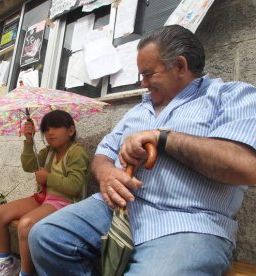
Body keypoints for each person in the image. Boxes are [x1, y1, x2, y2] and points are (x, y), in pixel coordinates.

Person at [28, 25, 256, 276]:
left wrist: (163, 138)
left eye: (148, 74)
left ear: (180, 66)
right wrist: (105, 173)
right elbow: (103, 153)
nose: (142, 82)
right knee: (44, 236)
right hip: (116, 209)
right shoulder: (139, 109)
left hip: (190, 223)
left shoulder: (231, 96)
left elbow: (246, 166)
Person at [0, 110, 89, 276]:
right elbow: (29, 165)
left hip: (65, 203)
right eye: (46, 129)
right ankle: (7, 263)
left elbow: (75, 186)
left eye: (55, 127)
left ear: (70, 131)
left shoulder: (76, 152)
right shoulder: (49, 151)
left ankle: (26, 273)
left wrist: (48, 177)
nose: (50, 133)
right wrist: (29, 140)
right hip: (44, 198)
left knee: (26, 224)